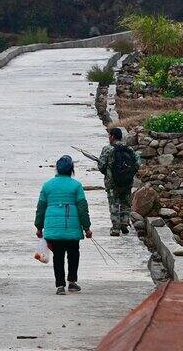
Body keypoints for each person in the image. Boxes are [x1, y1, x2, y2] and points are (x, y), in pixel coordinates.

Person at [34, 155, 92, 296]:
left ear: (57, 169)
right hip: (72, 227)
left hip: (53, 228)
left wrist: (39, 226)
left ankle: (60, 285)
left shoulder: (47, 185)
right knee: (73, 254)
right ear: (71, 169)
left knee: (58, 256)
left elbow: (41, 208)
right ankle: (72, 281)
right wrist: (87, 227)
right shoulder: (76, 185)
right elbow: (82, 208)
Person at [98, 127, 141, 237]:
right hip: (127, 182)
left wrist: (109, 173)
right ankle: (124, 224)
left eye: (109, 135)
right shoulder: (129, 149)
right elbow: (137, 164)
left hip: (112, 183)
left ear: (112, 136)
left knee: (114, 204)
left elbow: (101, 166)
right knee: (126, 203)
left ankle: (116, 228)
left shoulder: (107, 149)